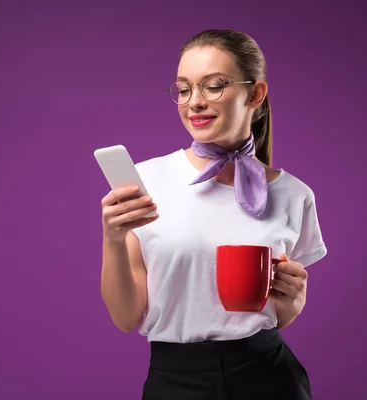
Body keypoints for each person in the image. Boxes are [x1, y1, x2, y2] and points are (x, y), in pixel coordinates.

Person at [99, 29, 327, 400]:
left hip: (270, 377)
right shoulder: (145, 181)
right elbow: (126, 317)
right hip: (175, 381)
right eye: (184, 88)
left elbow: (277, 314)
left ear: (255, 94)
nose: (195, 103)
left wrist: (294, 302)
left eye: (214, 86)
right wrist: (111, 238)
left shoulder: (294, 195)